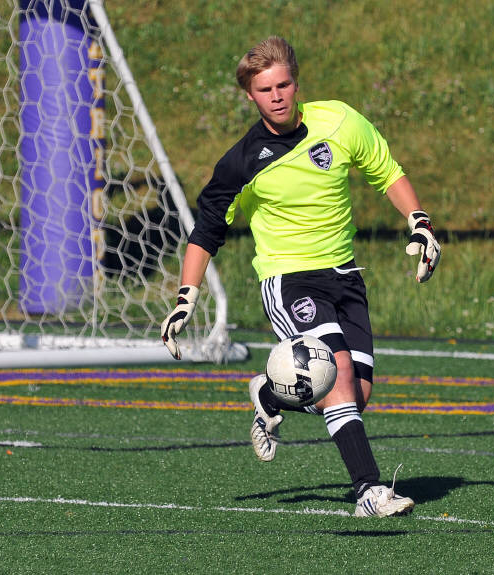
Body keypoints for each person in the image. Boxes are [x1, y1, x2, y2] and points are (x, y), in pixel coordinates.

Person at [161, 36, 440, 518]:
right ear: (250, 95)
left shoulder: (339, 121)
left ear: (296, 82)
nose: (276, 96)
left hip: (346, 276)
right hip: (289, 279)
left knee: (357, 395)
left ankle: (270, 393)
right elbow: (206, 231)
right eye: (264, 89)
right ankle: (369, 492)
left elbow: (386, 171)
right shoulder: (241, 161)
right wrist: (187, 296)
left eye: (283, 84)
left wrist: (420, 221)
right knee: (339, 377)